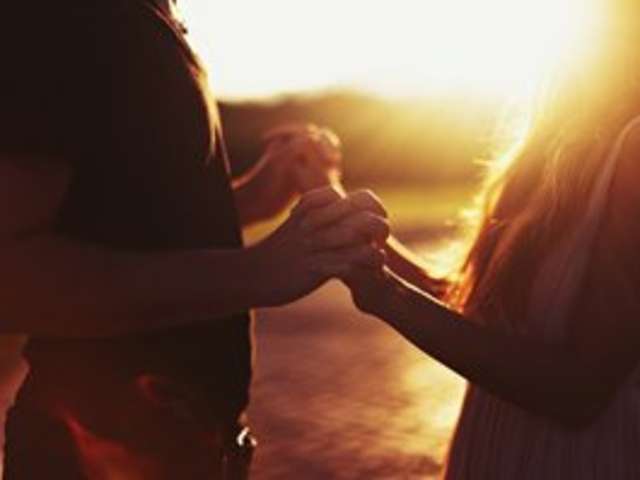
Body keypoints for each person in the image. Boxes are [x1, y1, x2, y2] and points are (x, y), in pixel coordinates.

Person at [0, 1, 389, 478]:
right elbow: (9, 277)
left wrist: (251, 199)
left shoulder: (145, 16)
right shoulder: (65, 14)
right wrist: (255, 271)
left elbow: (117, 221)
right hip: (101, 455)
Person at [327, 1, 640, 478]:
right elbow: (478, 306)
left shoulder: (633, 151)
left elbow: (579, 389)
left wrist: (385, 295)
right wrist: (353, 229)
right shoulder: (553, 146)